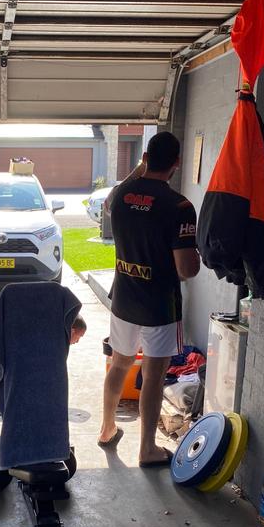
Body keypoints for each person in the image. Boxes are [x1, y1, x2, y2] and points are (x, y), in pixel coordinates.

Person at [97, 132, 200, 467]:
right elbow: (186, 270)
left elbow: (110, 198)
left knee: (120, 362)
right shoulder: (180, 207)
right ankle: (147, 450)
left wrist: (138, 169)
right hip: (159, 304)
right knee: (154, 376)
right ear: (177, 163)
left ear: (144, 157)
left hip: (125, 297)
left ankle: (107, 427)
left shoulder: (122, 194)